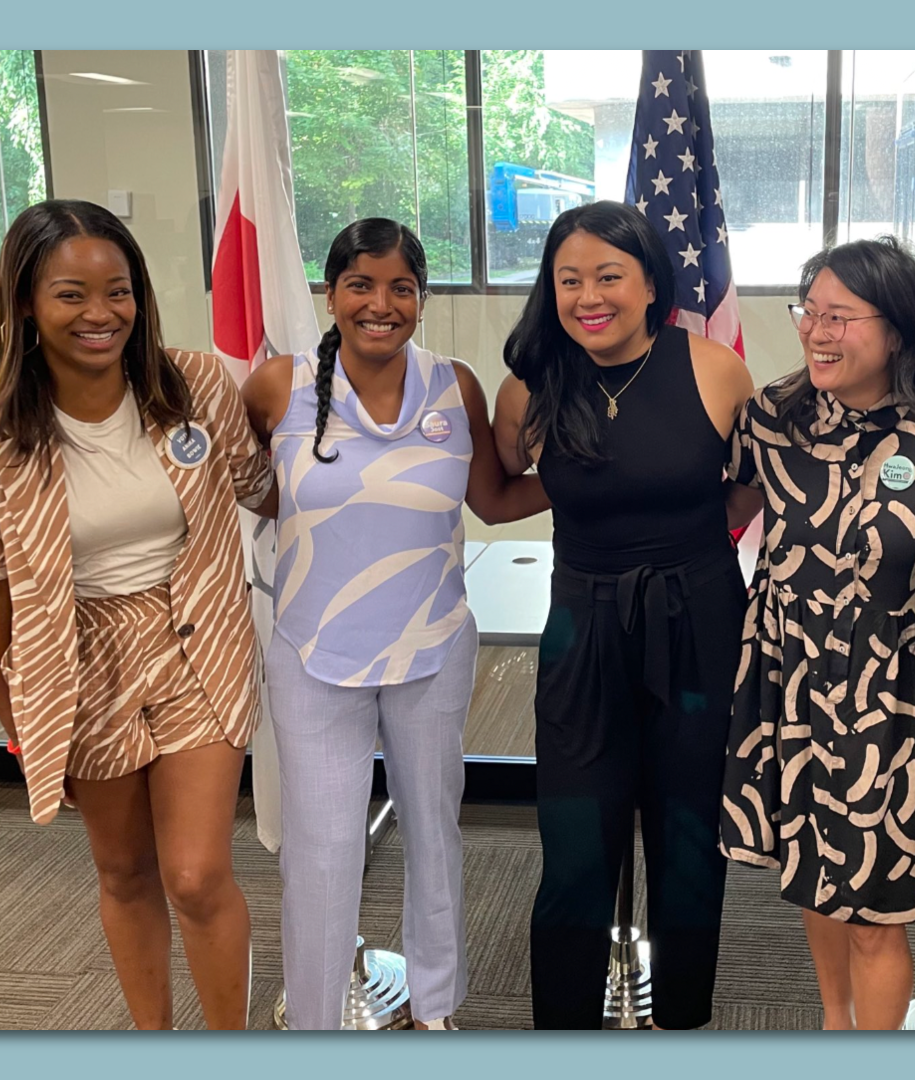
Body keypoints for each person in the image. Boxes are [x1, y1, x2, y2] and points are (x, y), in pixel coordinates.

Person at [0, 199, 277, 1030]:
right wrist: (21, 723)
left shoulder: (192, 383)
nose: (100, 314)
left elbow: (267, 489)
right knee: (124, 871)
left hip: (198, 638)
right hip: (75, 661)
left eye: (117, 292)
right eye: (70, 294)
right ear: (23, 302)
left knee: (194, 873)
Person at [240, 218, 548, 1031]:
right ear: (330, 293)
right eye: (361, 286)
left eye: (401, 287)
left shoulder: (455, 384)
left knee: (434, 836)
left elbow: (494, 498)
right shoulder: (279, 386)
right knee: (322, 854)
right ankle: (314, 1018)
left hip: (431, 647)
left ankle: (437, 1006)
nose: (381, 304)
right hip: (313, 654)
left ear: (421, 297)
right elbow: (254, 491)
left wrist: (598, 479)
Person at [491, 201, 754, 1029]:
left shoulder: (714, 368)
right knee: (575, 841)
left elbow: (746, 486)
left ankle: (681, 1020)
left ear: (649, 285)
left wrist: (676, 529)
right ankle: (563, 1031)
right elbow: (504, 489)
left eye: (608, 276)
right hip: (583, 628)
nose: (587, 296)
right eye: (569, 279)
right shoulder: (530, 386)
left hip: (702, 620)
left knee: (688, 836)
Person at [719, 237, 915, 1030]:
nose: (816, 332)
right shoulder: (770, 417)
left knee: (874, 907)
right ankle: (835, 1025)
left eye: (840, 317)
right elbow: (722, 524)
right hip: (793, 685)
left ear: (897, 329)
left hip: (898, 706)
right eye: (809, 312)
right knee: (813, 872)